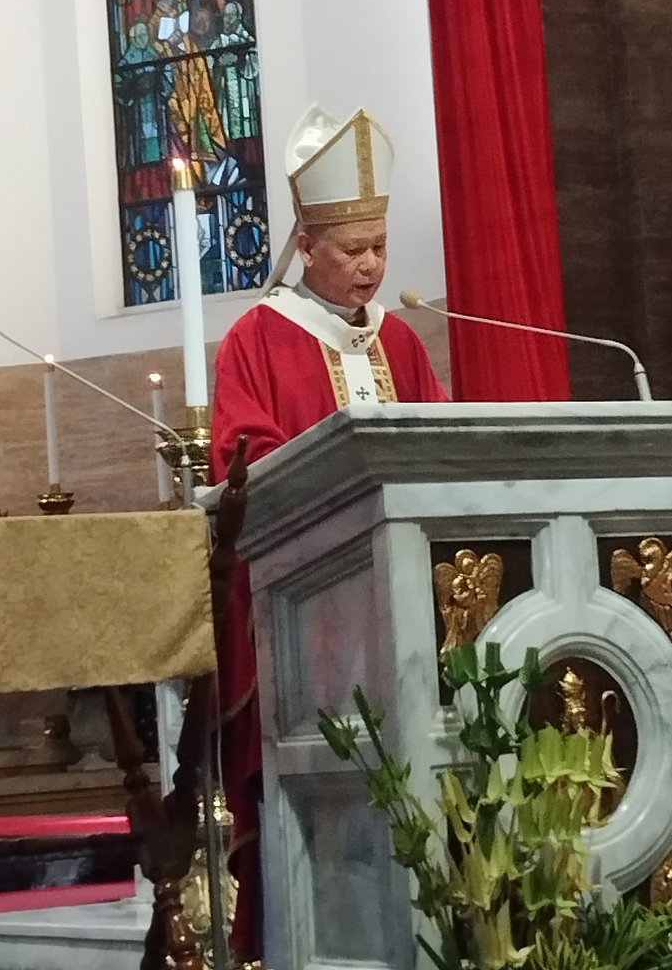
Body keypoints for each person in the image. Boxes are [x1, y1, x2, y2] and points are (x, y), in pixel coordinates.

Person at [209, 104, 447, 958]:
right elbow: (243, 462)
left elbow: (444, 450)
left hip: (408, 615)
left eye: (381, 245)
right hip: (308, 627)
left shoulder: (403, 342)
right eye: (354, 250)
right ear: (306, 245)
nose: (373, 266)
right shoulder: (257, 340)